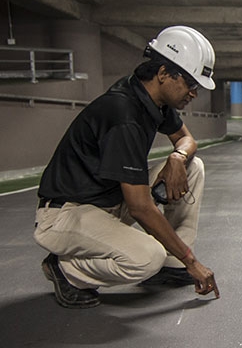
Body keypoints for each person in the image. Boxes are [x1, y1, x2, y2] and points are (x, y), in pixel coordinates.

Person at [34, 26, 220, 308]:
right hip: (66, 214)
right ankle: (68, 271)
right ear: (163, 74)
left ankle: (172, 262)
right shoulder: (123, 115)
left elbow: (185, 139)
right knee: (146, 258)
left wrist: (177, 158)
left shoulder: (150, 99)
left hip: (106, 202)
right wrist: (192, 262)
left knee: (193, 167)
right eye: (191, 84)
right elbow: (140, 207)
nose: (194, 93)